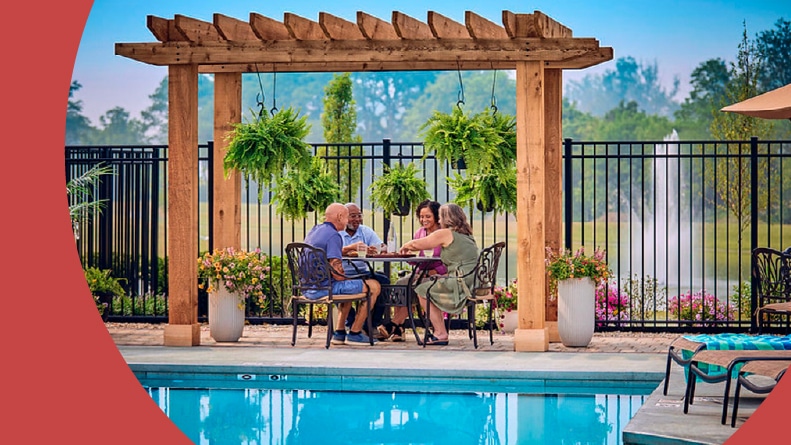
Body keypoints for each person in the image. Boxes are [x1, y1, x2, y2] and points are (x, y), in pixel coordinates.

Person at [398, 203, 478, 346]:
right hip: (473, 280)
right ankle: (438, 331)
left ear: (446, 218)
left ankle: (440, 333)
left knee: (422, 289)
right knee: (430, 284)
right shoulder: (466, 234)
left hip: (461, 282)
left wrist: (406, 245)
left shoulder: (446, 233)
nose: (439, 221)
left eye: (440, 218)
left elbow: (422, 244)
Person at [303, 202, 381, 345]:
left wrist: (348, 251)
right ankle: (355, 332)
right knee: (374, 286)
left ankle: (339, 333)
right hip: (324, 289)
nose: (347, 222)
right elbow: (338, 275)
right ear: (339, 217)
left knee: (351, 282)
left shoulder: (315, 230)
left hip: (308, 287)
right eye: (346, 217)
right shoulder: (334, 236)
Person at [378, 199, 446, 342]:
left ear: (436, 216)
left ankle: (393, 325)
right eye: (421, 217)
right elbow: (417, 259)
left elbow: (449, 261)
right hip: (420, 273)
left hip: (439, 275)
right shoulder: (420, 232)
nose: (424, 220)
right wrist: (407, 256)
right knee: (401, 284)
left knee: (416, 286)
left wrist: (433, 272)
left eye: (428, 216)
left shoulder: (443, 233)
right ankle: (399, 328)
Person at [338, 202, 391, 340]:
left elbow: (383, 247)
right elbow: (333, 252)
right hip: (342, 273)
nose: (357, 219)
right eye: (352, 216)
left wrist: (377, 248)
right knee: (341, 285)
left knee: (384, 281)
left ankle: (371, 325)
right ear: (343, 217)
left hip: (361, 272)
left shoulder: (365, 231)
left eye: (359, 215)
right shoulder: (337, 232)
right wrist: (351, 248)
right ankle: (352, 324)